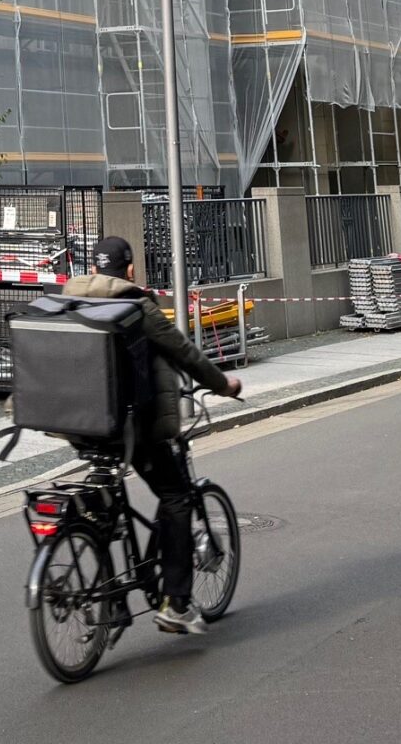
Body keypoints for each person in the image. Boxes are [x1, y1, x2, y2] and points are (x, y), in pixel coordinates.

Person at [60, 235, 241, 636]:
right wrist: (225, 384)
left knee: (103, 509)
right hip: (134, 431)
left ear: (92, 270)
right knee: (176, 496)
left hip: (82, 429)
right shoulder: (138, 308)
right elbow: (185, 353)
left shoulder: (72, 302)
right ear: (129, 271)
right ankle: (176, 604)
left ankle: (112, 600)